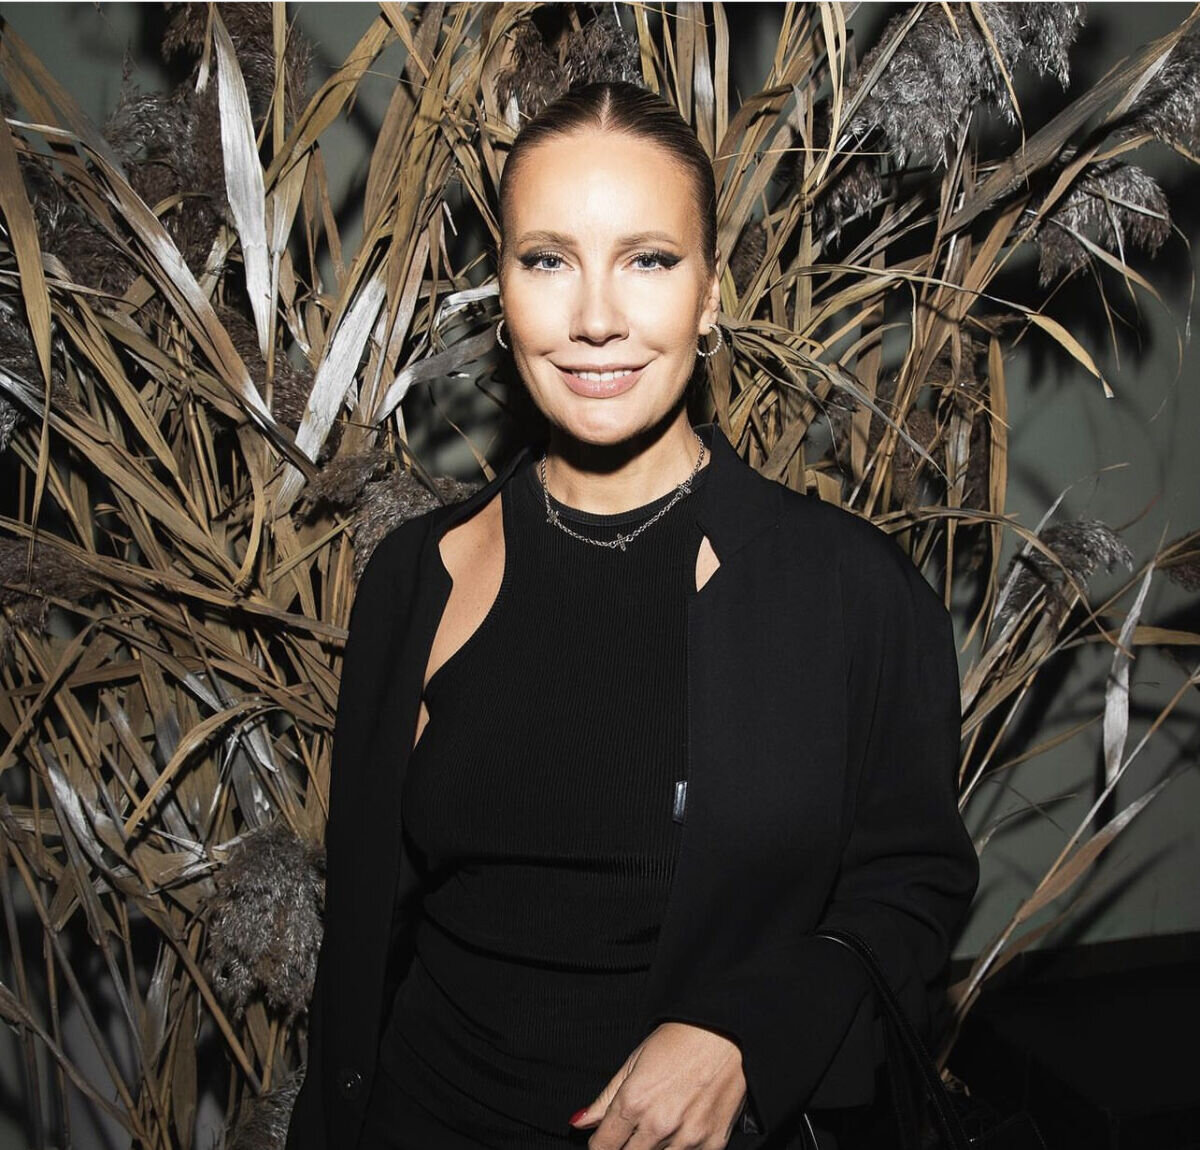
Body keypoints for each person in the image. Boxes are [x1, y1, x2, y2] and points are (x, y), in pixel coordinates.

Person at [284, 80, 979, 1150]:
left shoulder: (850, 591)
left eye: (648, 260)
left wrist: (749, 1036)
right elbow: (366, 951)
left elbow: (914, 886)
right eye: (547, 260)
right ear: (501, 289)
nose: (596, 318)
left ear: (709, 292)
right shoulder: (416, 580)